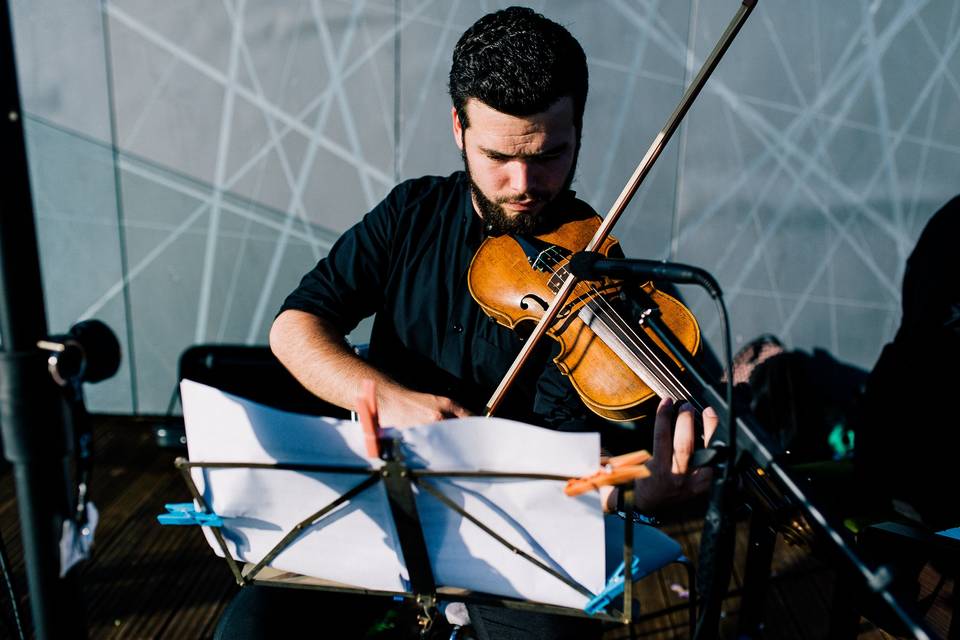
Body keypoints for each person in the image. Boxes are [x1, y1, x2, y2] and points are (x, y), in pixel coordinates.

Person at [251, 7, 716, 639]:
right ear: (458, 128)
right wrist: (395, 402)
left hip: (522, 529)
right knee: (251, 631)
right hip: (390, 499)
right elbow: (295, 327)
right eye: (498, 156)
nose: (524, 185)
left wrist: (639, 492)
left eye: (551, 154)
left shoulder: (603, 277)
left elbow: (586, 470)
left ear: (579, 129)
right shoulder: (410, 215)